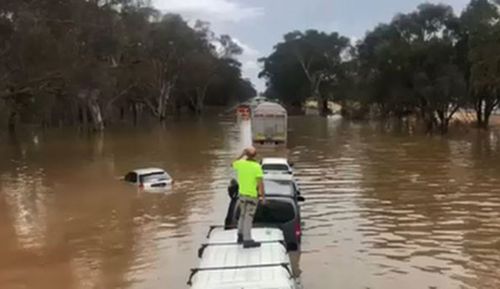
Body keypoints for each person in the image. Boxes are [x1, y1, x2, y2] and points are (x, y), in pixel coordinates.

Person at [232, 146, 264, 248]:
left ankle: (240, 236)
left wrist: (242, 154)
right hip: (252, 196)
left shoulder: (240, 164)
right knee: (248, 217)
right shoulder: (257, 167)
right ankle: (247, 239)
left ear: (246, 155)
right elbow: (260, 184)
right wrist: (262, 197)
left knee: (242, 215)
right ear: (255, 155)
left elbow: (232, 163)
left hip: (242, 195)